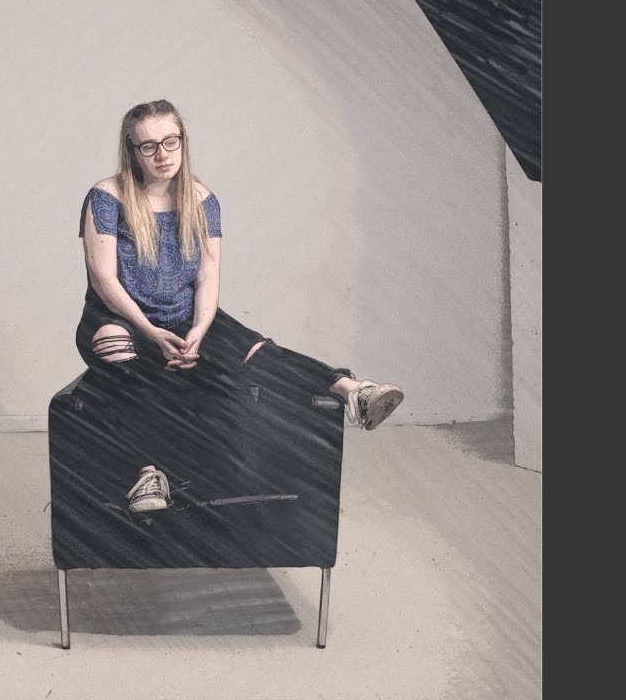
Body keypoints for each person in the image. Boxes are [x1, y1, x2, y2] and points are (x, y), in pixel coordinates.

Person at [75, 99, 404, 513]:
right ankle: (147, 475)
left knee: (254, 349)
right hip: (120, 317)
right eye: (149, 146)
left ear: (183, 142)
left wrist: (198, 331)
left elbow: (207, 276)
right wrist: (151, 332)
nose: (162, 154)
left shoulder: (202, 199)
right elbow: (103, 280)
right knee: (117, 347)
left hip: (183, 316)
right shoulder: (107, 196)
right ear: (132, 150)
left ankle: (353, 391)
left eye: (171, 142)